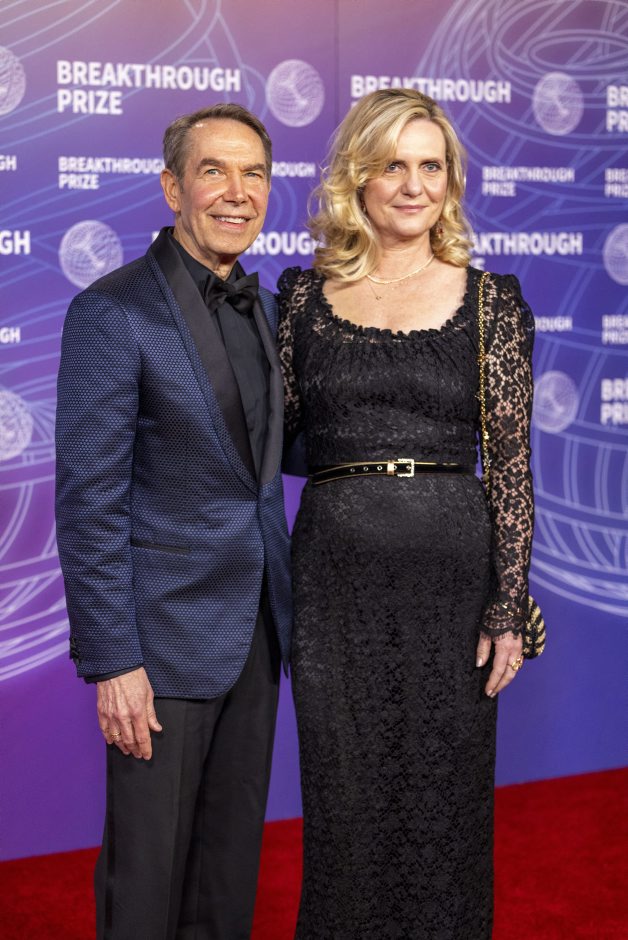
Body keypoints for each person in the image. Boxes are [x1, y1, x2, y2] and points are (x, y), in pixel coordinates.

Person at [277, 88, 534, 939]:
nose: (414, 185)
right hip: (334, 585)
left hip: (452, 588)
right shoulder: (301, 300)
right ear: (359, 175)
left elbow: (512, 465)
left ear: (451, 180)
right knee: (344, 804)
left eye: (432, 166)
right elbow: (268, 441)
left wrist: (507, 604)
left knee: (445, 807)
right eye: (394, 165)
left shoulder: (492, 303)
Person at [55, 103, 292, 940]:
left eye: (254, 173)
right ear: (171, 187)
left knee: (227, 877)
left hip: (257, 632)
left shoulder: (268, 311)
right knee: (146, 883)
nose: (237, 192)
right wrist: (113, 660)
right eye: (213, 171)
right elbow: (89, 502)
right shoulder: (113, 311)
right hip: (159, 648)